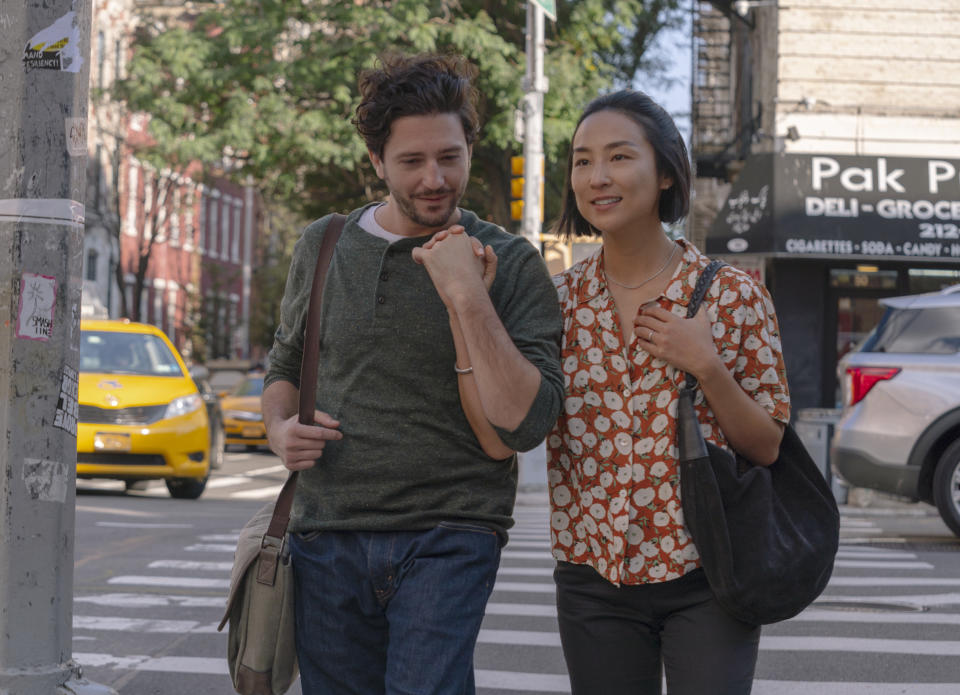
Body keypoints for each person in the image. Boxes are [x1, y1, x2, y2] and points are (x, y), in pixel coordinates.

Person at [261, 53, 563, 695]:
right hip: (328, 530)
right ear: (376, 162)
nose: (435, 178)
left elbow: (528, 423)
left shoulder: (510, 262)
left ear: (470, 149)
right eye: (412, 161)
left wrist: (468, 295)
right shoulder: (325, 245)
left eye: (450, 157)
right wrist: (278, 429)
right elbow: (286, 361)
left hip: (452, 530)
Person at [547, 89, 791, 695]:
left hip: (710, 575)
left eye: (619, 157)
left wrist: (708, 366)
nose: (597, 176)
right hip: (593, 576)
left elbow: (766, 446)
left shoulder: (733, 295)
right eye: (582, 160)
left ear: (664, 174)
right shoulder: (556, 304)